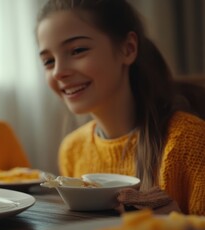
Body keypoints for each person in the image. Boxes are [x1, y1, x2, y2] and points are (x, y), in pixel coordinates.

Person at [36, 0, 205, 215]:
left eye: (77, 50)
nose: (59, 72)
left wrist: (178, 226)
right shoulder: (72, 150)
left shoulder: (190, 141)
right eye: (48, 61)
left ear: (128, 49)